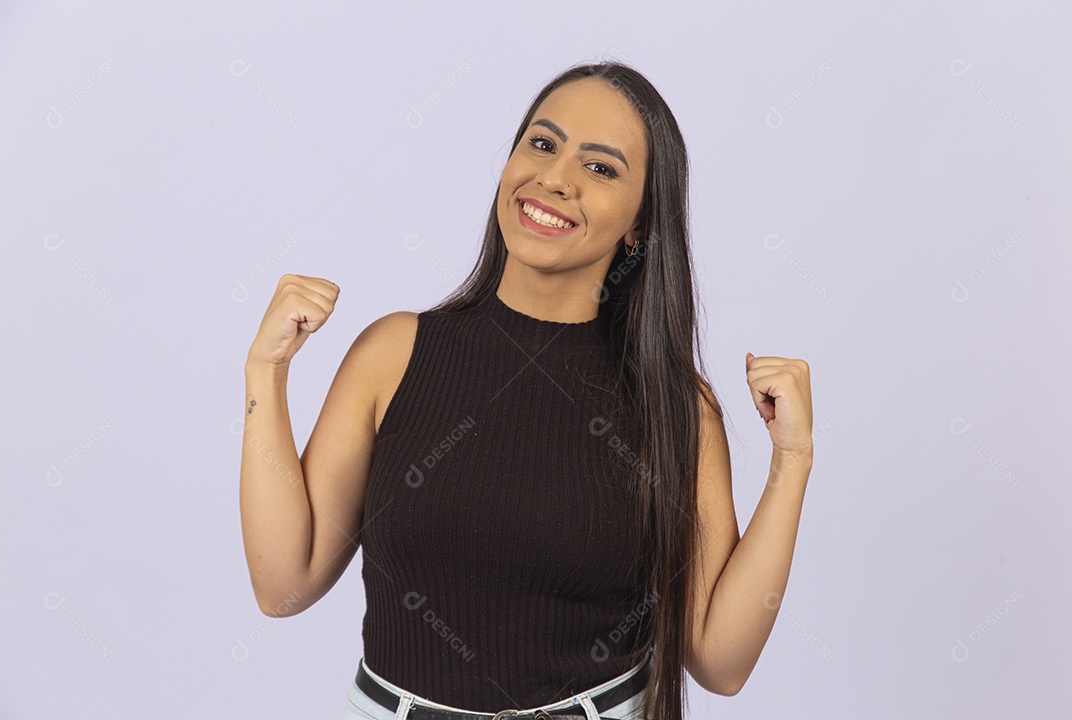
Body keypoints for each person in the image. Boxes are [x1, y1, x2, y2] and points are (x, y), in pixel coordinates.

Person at [239, 61, 814, 720]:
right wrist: (267, 371)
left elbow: (720, 662)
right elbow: (283, 584)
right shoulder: (391, 355)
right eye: (543, 144)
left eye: (601, 169)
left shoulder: (676, 407)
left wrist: (792, 459)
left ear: (639, 225)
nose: (556, 179)